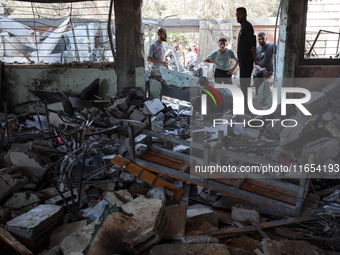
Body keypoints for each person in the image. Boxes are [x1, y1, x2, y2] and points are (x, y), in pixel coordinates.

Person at [236, 7, 257, 103]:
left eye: (240, 14)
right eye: (237, 14)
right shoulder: (243, 27)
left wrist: (255, 60)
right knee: (243, 83)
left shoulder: (247, 26)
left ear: (245, 15)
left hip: (246, 61)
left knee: (245, 83)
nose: (238, 16)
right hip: (243, 61)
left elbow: (253, 45)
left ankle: (246, 106)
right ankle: (245, 104)